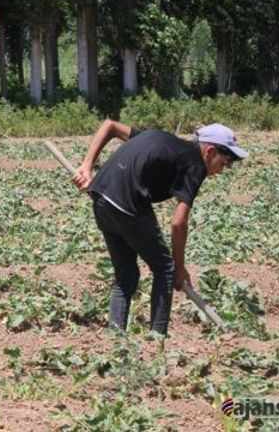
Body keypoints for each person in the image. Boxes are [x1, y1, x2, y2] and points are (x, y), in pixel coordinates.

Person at [73, 120, 247, 335]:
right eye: (226, 161)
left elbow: (110, 126)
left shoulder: (162, 139)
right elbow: (178, 223)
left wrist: (87, 165)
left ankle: (116, 340)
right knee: (165, 270)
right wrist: (179, 267)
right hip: (128, 204)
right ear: (210, 151)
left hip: (101, 195)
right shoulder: (195, 165)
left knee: (126, 275)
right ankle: (157, 341)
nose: (223, 170)